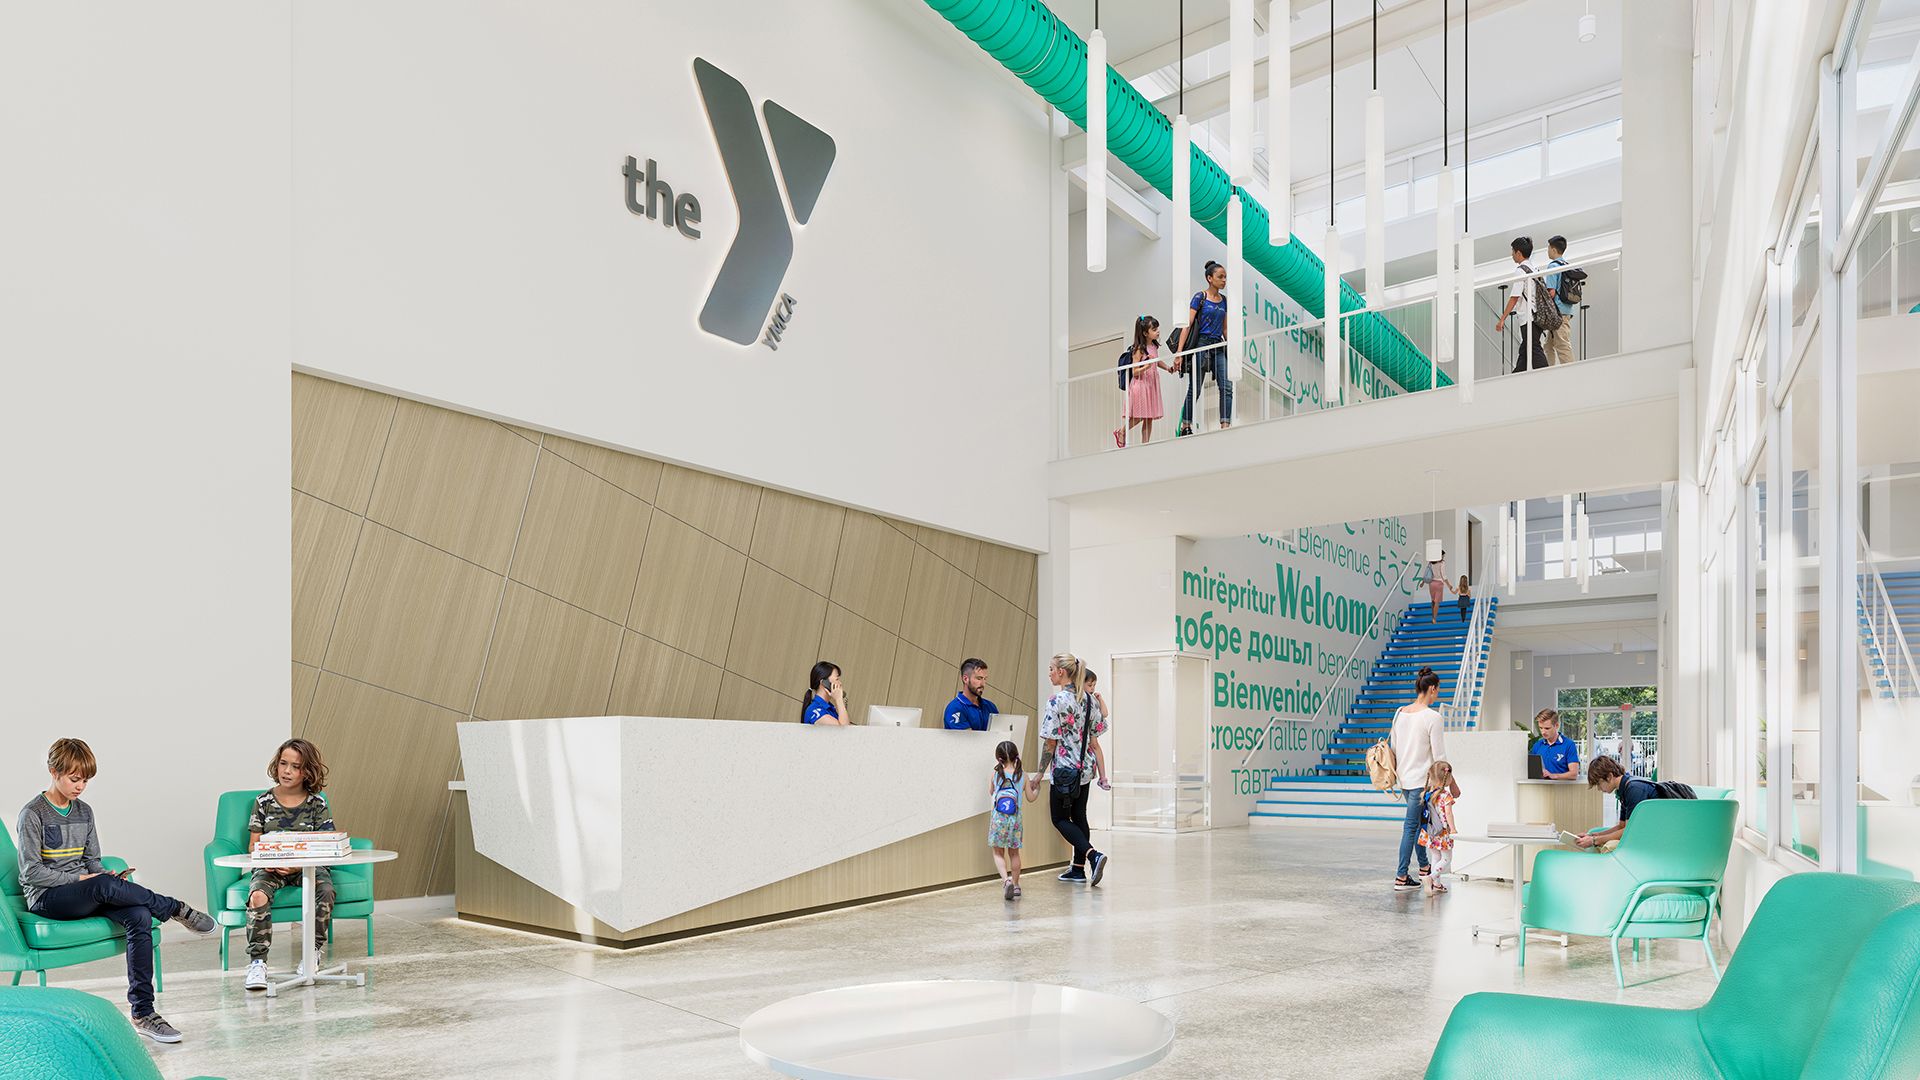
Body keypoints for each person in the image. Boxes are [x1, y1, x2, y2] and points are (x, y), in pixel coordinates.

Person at [16, 739, 218, 1043]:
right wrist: (86, 882)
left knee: (138, 915)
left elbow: (91, 861)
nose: (80, 786)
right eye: (74, 779)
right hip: (47, 898)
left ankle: (143, 1012)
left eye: (85, 780)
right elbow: (31, 872)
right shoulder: (33, 813)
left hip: (86, 891)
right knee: (104, 885)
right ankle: (174, 907)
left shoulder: (84, 811)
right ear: (53, 771)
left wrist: (100, 875)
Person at [243, 738, 339, 992]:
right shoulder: (263, 802)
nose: (287, 771)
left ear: (307, 771)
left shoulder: (317, 804)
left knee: (326, 891)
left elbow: (327, 843)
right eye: (283, 763)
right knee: (257, 896)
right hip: (270, 868)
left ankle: (312, 952)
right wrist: (275, 861)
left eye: (295, 766)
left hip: (309, 867)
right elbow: (253, 846)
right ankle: (257, 963)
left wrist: (297, 866)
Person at [1040, 653, 1111, 885]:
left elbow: (1050, 742)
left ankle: (1093, 855)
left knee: (1059, 818)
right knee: (1079, 816)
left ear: (1062, 672)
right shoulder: (1089, 699)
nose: (1049, 673)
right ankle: (1078, 870)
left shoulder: (1056, 701)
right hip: (1085, 770)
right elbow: (1099, 728)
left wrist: (1040, 772)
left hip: (1063, 771)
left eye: (1051, 669)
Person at [1391, 667, 1454, 891]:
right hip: (1422, 781)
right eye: (1437, 690)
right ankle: (1401, 877)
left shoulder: (1400, 713)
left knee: (1419, 827)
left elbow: (1395, 748)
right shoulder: (1433, 717)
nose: (1437, 694)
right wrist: (1451, 784)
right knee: (1411, 827)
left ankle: (1425, 869)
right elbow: (1440, 757)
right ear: (1432, 689)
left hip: (1405, 779)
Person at [1578, 756, 1693, 849]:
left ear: (1609, 776)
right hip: (1647, 831)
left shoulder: (1634, 789)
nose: (1599, 788)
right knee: (1601, 840)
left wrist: (1594, 841)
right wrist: (1594, 835)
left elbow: (1629, 831)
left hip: (1664, 834)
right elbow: (1622, 826)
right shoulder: (1623, 790)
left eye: (1599, 783)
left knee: (1608, 846)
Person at [1174, 260, 1233, 434]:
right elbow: (1188, 324)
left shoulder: (1224, 301)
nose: (1224, 280)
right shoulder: (1200, 297)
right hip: (1201, 344)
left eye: (1225, 277)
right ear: (1209, 278)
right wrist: (1179, 353)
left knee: (1226, 386)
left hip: (1218, 345)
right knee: (1195, 388)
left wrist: (1232, 349)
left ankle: (1225, 425)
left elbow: (1225, 328)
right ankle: (1186, 425)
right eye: (1220, 277)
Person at [988, 740, 1042, 901]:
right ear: (1016, 755)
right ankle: (1016, 885)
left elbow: (991, 793)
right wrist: (1037, 789)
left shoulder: (995, 775)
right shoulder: (1023, 776)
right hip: (1015, 820)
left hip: (998, 819)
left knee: (998, 852)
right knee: (1014, 853)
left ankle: (1006, 881)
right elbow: (1031, 798)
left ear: (999, 758)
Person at [1117, 314, 1173, 447]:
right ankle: (1121, 431)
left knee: (1149, 417)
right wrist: (1146, 367)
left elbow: (1156, 361)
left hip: (1151, 384)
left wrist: (1168, 368)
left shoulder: (1154, 346)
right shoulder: (1138, 350)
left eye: (1157, 328)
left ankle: (1145, 445)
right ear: (1145, 333)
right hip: (1140, 384)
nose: (1157, 331)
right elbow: (1135, 372)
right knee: (1140, 415)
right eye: (1154, 329)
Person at [1495, 237, 1546, 372]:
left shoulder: (1521, 270)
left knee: (1534, 347)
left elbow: (1514, 297)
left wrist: (1502, 319)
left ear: (1518, 253)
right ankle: (1517, 375)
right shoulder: (1534, 269)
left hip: (1528, 317)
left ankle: (1547, 374)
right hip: (1538, 315)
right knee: (1525, 349)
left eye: (1512, 251)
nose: (1512, 254)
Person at [1418, 761, 1459, 896]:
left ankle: (1436, 885)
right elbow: (1448, 814)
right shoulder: (1445, 796)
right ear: (1448, 778)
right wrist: (1453, 829)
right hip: (1442, 833)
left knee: (1435, 856)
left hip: (1429, 832)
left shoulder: (1427, 794)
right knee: (1446, 859)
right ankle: (1430, 878)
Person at [1542, 235, 1577, 366]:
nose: (1548, 251)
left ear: (1553, 249)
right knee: (1548, 345)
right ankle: (1549, 371)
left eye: (1548, 248)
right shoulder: (1567, 265)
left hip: (1557, 312)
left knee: (1562, 344)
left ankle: (1571, 372)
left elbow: (1551, 292)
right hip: (1566, 310)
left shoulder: (1553, 267)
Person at [943, 658, 1000, 731]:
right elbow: (968, 740)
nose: (983, 684)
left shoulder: (990, 707)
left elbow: (998, 736)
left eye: (985, 679)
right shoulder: (954, 708)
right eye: (979, 678)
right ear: (965, 679)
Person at [1531, 708, 1582, 781]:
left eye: (1547, 728)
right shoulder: (1537, 745)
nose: (1543, 732)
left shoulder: (1569, 745)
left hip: (1562, 790)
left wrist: (1554, 776)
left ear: (1557, 725)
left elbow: (1573, 774)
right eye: (1541, 728)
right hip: (1540, 789)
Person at [799, 661, 849, 725]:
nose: (840, 683)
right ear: (824, 683)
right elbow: (845, 731)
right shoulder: (814, 710)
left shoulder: (831, 708)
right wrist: (839, 699)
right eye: (837, 679)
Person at [1425, 548, 1452, 623]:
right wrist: (1449, 585)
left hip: (1431, 583)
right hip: (1439, 584)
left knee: (1433, 601)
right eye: (1443, 556)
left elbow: (1427, 573)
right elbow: (1444, 575)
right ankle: (1434, 618)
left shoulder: (1431, 562)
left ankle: (1432, 615)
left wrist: (1423, 582)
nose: (1443, 557)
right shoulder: (1442, 563)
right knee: (1437, 602)